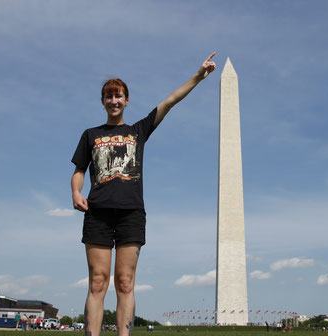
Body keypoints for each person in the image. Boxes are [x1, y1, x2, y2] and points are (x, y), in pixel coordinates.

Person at [71, 52, 217, 336]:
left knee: (124, 282)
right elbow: (79, 169)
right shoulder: (90, 134)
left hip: (131, 214)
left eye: (119, 96)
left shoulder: (138, 131)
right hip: (98, 213)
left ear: (127, 100)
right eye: (108, 96)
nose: (114, 101)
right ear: (102, 102)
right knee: (98, 283)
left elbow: (170, 101)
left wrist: (198, 77)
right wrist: (76, 192)